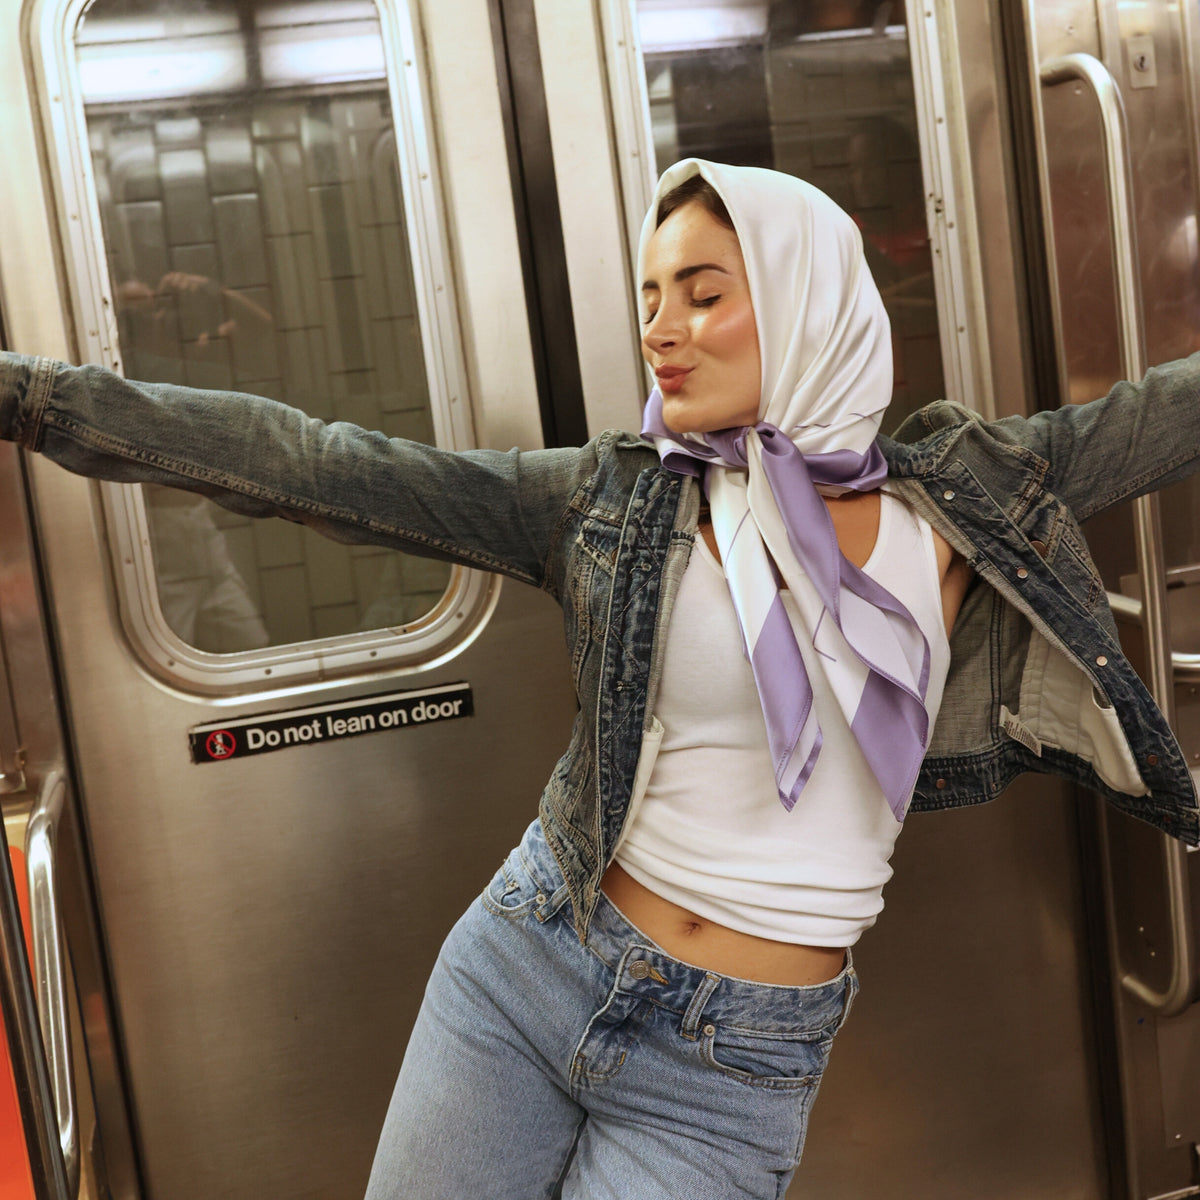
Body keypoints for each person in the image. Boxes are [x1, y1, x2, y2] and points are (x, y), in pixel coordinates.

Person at [1, 159, 1198, 1198]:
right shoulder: (613, 497)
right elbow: (317, 467)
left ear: (803, 300)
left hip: (734, 1057)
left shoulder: (966, 498)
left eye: (705, 293)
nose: (661, 329)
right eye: (650, 297)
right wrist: (36, 399)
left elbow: (1164, 413)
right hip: (529, 963)